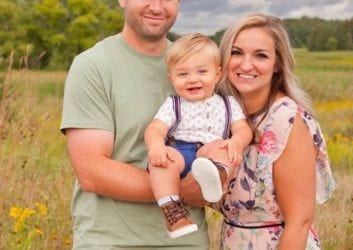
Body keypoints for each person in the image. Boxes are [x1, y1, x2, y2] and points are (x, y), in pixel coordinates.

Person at [60, 1, 210, 249]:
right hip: (110, 241)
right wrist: (179, 191)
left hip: (188, 242)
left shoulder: (195, 67)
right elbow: (92, 172)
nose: (157, 6)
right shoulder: (94, 66)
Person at [201, 13, 336, 249]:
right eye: (236, 52)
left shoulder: (286, 121)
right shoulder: (227, 117)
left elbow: (299, 222)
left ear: (277, 65)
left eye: (260, 56)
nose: (245, 65)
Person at [144, 33, 253, 239]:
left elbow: (243, 129)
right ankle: (173, 213)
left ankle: (216, 176)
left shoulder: (228, 103)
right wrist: (156, 146)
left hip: (209, 153)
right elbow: (155, 129)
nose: (193, 79)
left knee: (221, 148)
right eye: (183, 74)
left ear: (218, 74)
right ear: (171, 79)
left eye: (202, 71)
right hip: (180, 151)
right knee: (162, 162)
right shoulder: (173, 104)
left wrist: (236, 142)